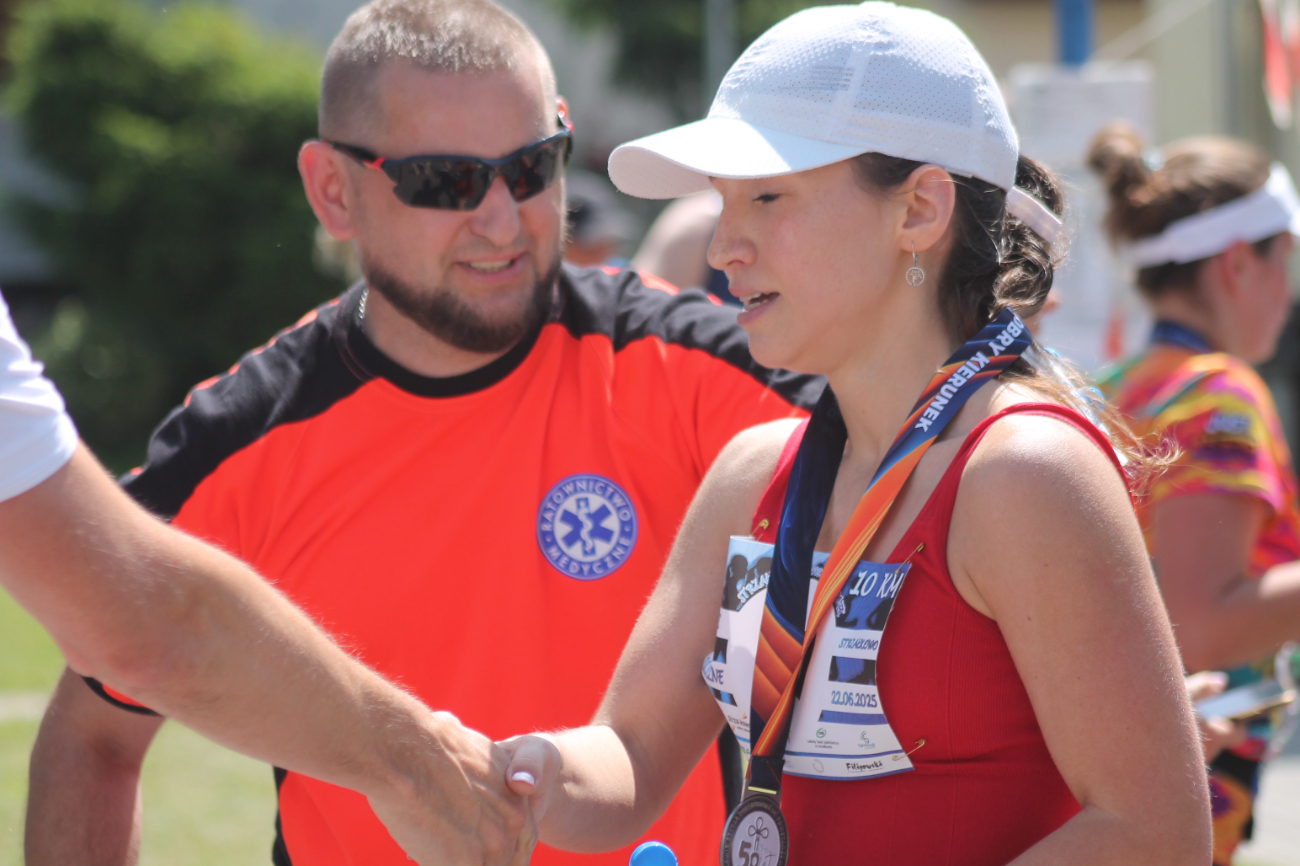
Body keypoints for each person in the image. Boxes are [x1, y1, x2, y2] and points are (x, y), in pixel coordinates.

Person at [23, 1, 819, 865]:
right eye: (446, 181)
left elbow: (909, 463)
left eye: (531, 168)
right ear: (334, 190)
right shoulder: (244, 441)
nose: (503, 220)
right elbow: (93, 733)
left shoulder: (687, 369)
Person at [499, 5, 1212, 865]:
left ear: (919, 209)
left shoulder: (1024, 472)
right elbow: (631, 755)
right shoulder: (751, 474)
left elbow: (1154, 833)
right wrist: (516, 775)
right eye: (722, 202)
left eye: (767, 197)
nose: (723, 247)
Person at [0, 292, 532, 866]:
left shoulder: (614, 341)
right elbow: (142, 639)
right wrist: (415, 767)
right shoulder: (253, 427)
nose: (495, 236)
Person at [1090, 124, 1300, 865]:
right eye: (1286, 260)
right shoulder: (1217, 391)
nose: (1290, 293)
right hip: (1180, 794)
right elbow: (1198, 627)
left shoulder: (1111, 387)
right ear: (1239, 263)